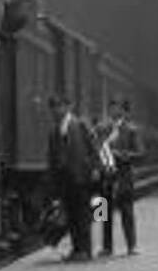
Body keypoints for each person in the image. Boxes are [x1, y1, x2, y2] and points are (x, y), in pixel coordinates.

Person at [47, 95, 102, 262]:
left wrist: (95, 169)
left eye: (59, 106)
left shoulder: (80, 124)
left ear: (68, 107)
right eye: (54, 108)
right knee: (71, 215)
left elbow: (93, 148)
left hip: (81, 177)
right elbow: (52, 156)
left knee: (83, 214)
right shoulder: (54, 130)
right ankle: (76, 249)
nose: (57, 110)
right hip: (65, 180)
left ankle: (85, 250)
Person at [106, 97, 145, 254]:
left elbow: (141, 153)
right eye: (111, 107)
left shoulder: (131, 130)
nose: (112, 110)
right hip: (105, 178)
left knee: (127, 212)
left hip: (124, 177)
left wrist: (121, 155)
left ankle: (132, 245)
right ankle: (106, 247)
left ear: (123, 110)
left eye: (115, 107)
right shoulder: (102, 128)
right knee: (101, 213)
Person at [95, 103, 119, 256]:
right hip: (104, 186)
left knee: (103, 218)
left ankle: (106, 246)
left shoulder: (103, 147)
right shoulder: (103, 147)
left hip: (105, 186)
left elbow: (109, 165)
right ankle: (105, 246)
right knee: (102, 218)